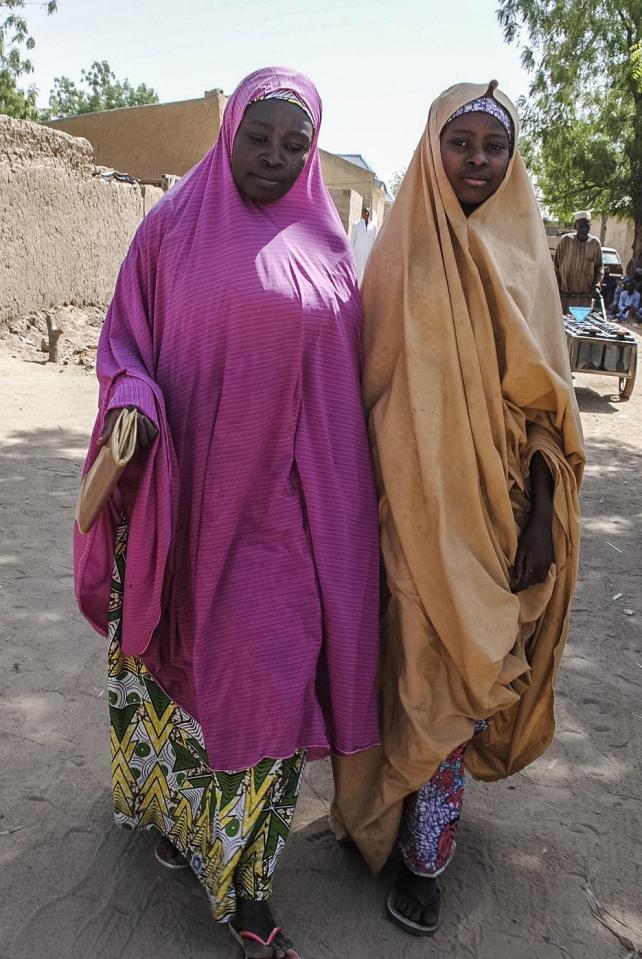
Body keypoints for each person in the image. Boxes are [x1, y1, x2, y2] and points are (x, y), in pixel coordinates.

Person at [74, 67, 380, 959]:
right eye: (261, 137)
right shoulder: (169, 229)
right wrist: (131, 393)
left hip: (274, 525)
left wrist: (336, 532)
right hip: (177, 504)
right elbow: (124, 338)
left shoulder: (326, 252)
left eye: (296, 144)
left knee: (264, 685)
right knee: (173, 669)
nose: (276, 159)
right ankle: (175, 817)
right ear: (230, 130)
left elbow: (336, 409)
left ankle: (247, 884)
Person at [332, 81, 585, 937]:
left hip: (498, 519)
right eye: (460, 141)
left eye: (492, 145)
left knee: (465, 675)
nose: (477, 159)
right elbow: (362, 387)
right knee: (400, 671)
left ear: (513, 159)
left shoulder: (525, 261)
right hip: (401, 509)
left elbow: (552, 410)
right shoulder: (398, 253)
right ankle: (376, 808)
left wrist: (544, 514)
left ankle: (425, 852)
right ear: (431, 149)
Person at [554, 211, 603, 314]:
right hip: (564, 297)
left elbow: (599, 268)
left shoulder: (595, 244)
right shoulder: (565, 241)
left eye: (587, 226)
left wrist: (597, 285)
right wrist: (556, 287)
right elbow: (555, 266)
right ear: (575, 226)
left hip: (584, 299)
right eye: (581, 226)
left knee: (580, 326)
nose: (584, 229)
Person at [350, 206, 378, 283]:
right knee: (357, 273)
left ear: (369, 214)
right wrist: (351, 255)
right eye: (364, 212)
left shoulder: (373, 226)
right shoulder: (356, 225)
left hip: (368, 254)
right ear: (361, 213)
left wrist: (374, 255)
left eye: (367, 212)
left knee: (366, 274)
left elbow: (375, 241)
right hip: (357, 254)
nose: (366, 214)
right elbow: (352, 241)